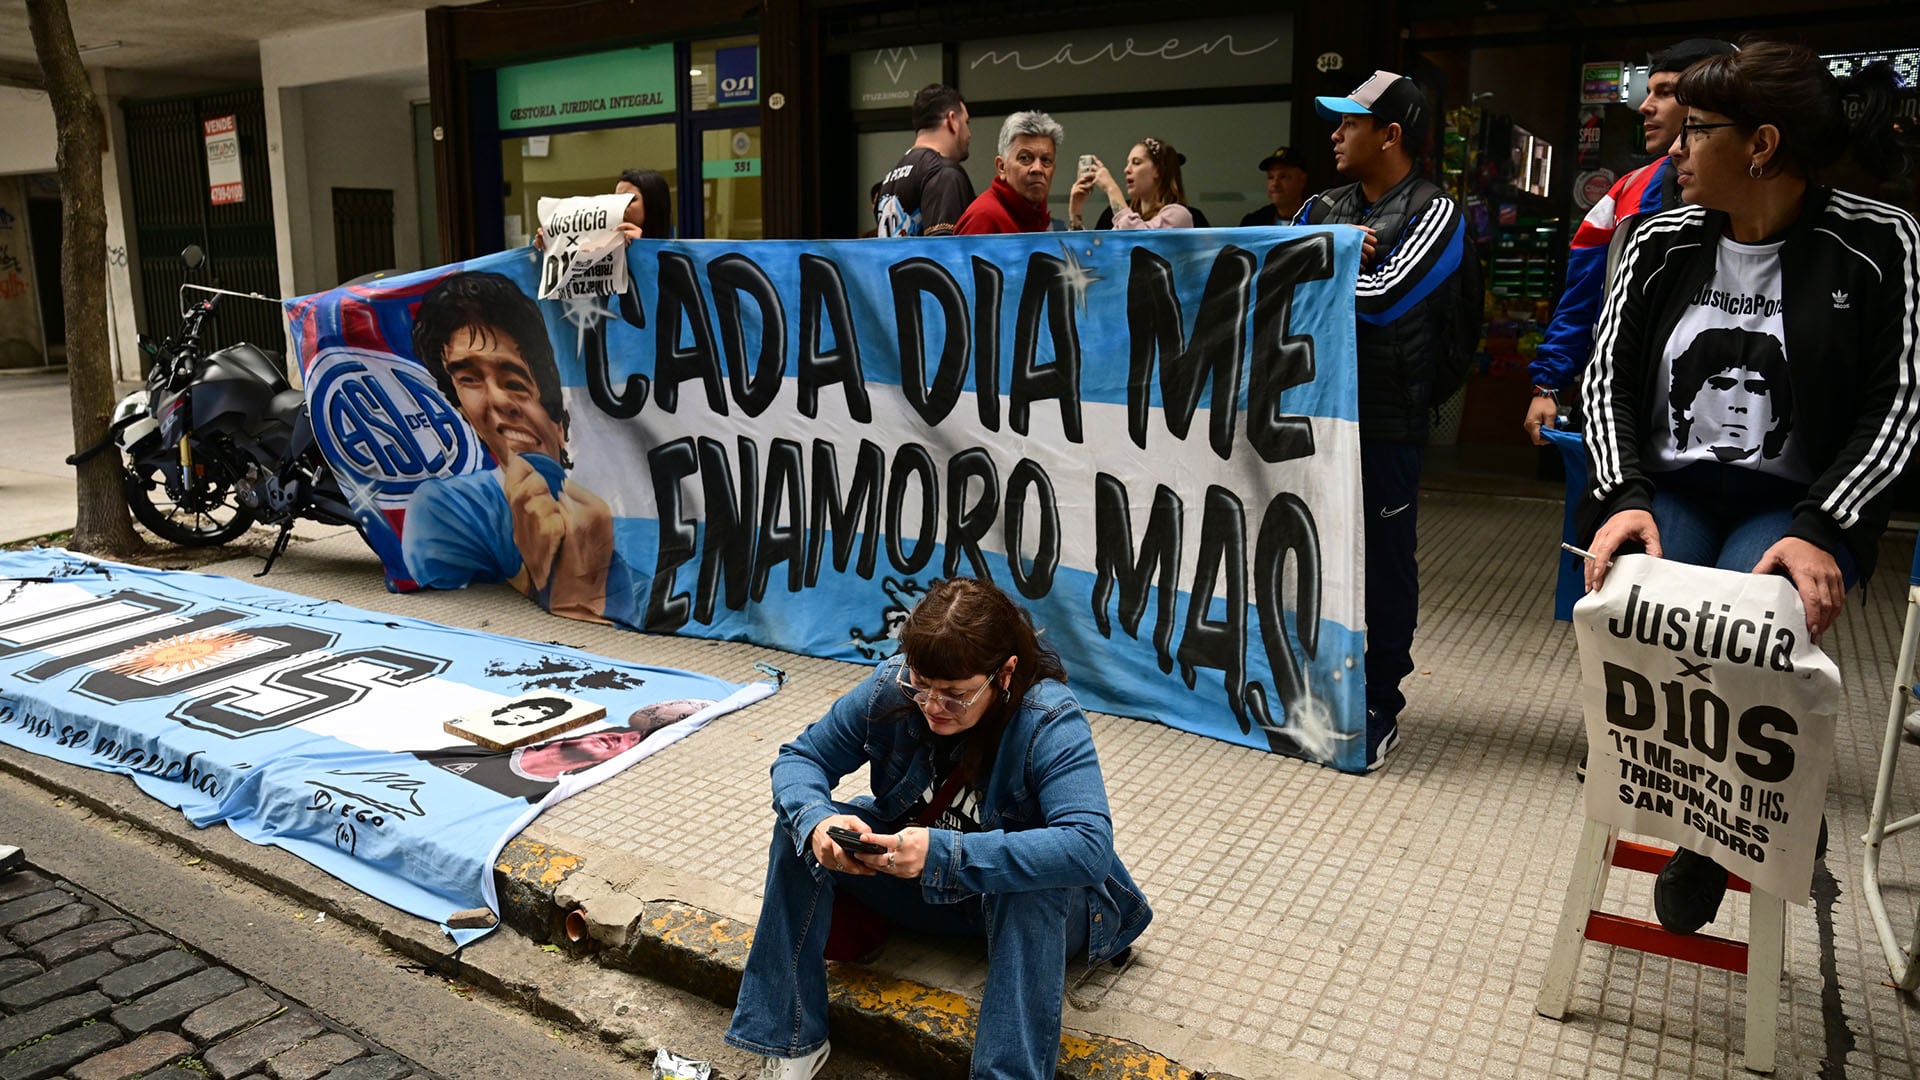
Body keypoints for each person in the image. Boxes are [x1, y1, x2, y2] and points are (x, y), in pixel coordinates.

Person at [1578, 42, 1918, 934]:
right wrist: (1623, 498)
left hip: (1797, 502)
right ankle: (1703, 802)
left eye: (1695, 131)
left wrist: (1824, 522)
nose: (1674, 150)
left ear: (1761, 144)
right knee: (1643, 605)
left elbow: (1902, 404)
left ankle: (1722, 834)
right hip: (1673, 487)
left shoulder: (1879, 242)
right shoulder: (1655, 239)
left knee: (1751, 617)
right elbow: (1605, 377)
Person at [725, 577, 1151, 1080]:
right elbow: (802, 759)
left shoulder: (1048, 718)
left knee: (1034, 884)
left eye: (956, 695)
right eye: (923, 686)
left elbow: (1088, 847)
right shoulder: (892, 686)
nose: (933, 707)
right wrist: (819, 821)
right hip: (926, 887)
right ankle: (795, 1039)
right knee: (799, 826)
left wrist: (945, 854)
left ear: (1005, 673)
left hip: (1034, 914)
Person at [1294, 70, 1480, 772]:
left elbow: (1383, 297)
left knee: (1384, 560)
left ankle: (1379, 700)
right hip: (1312, 413)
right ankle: (1311, 678)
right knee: (1312, 546)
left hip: (1387, 417)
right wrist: (1336, 244)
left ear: (1391, 135)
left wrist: (1326, 256)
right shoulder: (1324, 205)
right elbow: (1269, 273)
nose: (1336, 135)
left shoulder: (1437, 212)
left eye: (1350, 123)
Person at [1525, 40, 1739, 444]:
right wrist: (1548, 384)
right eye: (1649, 91)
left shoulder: (1762, 199)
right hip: (1623, 403)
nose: (1645, 106)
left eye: (1665, 92)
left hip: (1723, 405)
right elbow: (1583, 295)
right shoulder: (1625, 194)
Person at [402, 271, 633, 626]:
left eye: (515, 381)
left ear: (561, 420)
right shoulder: (446, 509)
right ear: (459, 405)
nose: (498, 401)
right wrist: (546, 576)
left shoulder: (606, 511)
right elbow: (455, 620)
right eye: (470, 380)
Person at [418, 697, 714, 802]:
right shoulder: (475, 749)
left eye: (634, 742)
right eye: (628, 735)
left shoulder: (531, 793)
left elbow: (695, 708)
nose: (624, 740)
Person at [876, 84, 975, 237]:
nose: (969, 134)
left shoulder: (890, 178)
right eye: (966, 123)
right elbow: (944, 250)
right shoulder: (944, 173)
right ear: (952, 120)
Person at [955, 111, 1063, 235]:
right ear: (1001, 167)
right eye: (1025, 158)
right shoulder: (983, 216)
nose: (1037, 168)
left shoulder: (1037, 215)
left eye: (1046, 160)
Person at [1069, 137, 1194, 230]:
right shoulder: (1125, 217)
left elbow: (1139, 243)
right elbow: (1094, 257)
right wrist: (1076, 215)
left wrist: (1112, 189)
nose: (1126, 170)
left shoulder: (1179, 215)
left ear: (1158, 170)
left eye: (1136, 162)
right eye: (1128, 163)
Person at [1240, 145, 1310, 226]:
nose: (1275, 184)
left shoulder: (1317, 220)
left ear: (1302, 180)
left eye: (1283, 176)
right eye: (1271, 177)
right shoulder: (1253, 223)